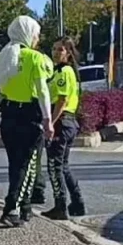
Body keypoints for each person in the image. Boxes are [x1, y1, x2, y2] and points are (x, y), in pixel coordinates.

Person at [0, 16, 54, 227]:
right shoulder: (36, 58)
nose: (37, 38)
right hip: (30, 115)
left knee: (16, 165)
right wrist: (48, 120)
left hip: (8, 116)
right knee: (27, 164)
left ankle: (25, 208)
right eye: (36, 34)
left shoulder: (2, 57)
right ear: (28, 34)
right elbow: (42, 91)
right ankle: (12, 208)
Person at [43, 38, 87, 220]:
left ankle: (60, 206)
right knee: (63, 166)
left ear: (68, 53)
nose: (55, 52)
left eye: (60, 50)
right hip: (68, 122)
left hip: (62, 121)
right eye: (53, 49)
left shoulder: (63, 72)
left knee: (54, 166)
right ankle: (77, 203)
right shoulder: (65, 71)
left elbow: (62, 100)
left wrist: (49, 123)